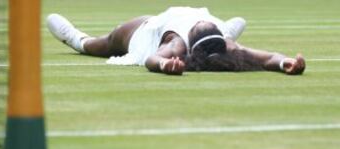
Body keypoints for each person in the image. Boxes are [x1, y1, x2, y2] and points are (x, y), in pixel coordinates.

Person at [47, 7, 305, 76]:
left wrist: (164, 66)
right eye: (211, 27)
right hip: (207, 39)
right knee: (230, 36)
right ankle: (220, 57)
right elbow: (271, 57)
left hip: (145, 32)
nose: (206, 23)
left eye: (204, 27)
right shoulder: (226, 41)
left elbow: (152, 59)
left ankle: (77, 40)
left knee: (106, 42)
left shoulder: (176, 46)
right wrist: (287, 63)